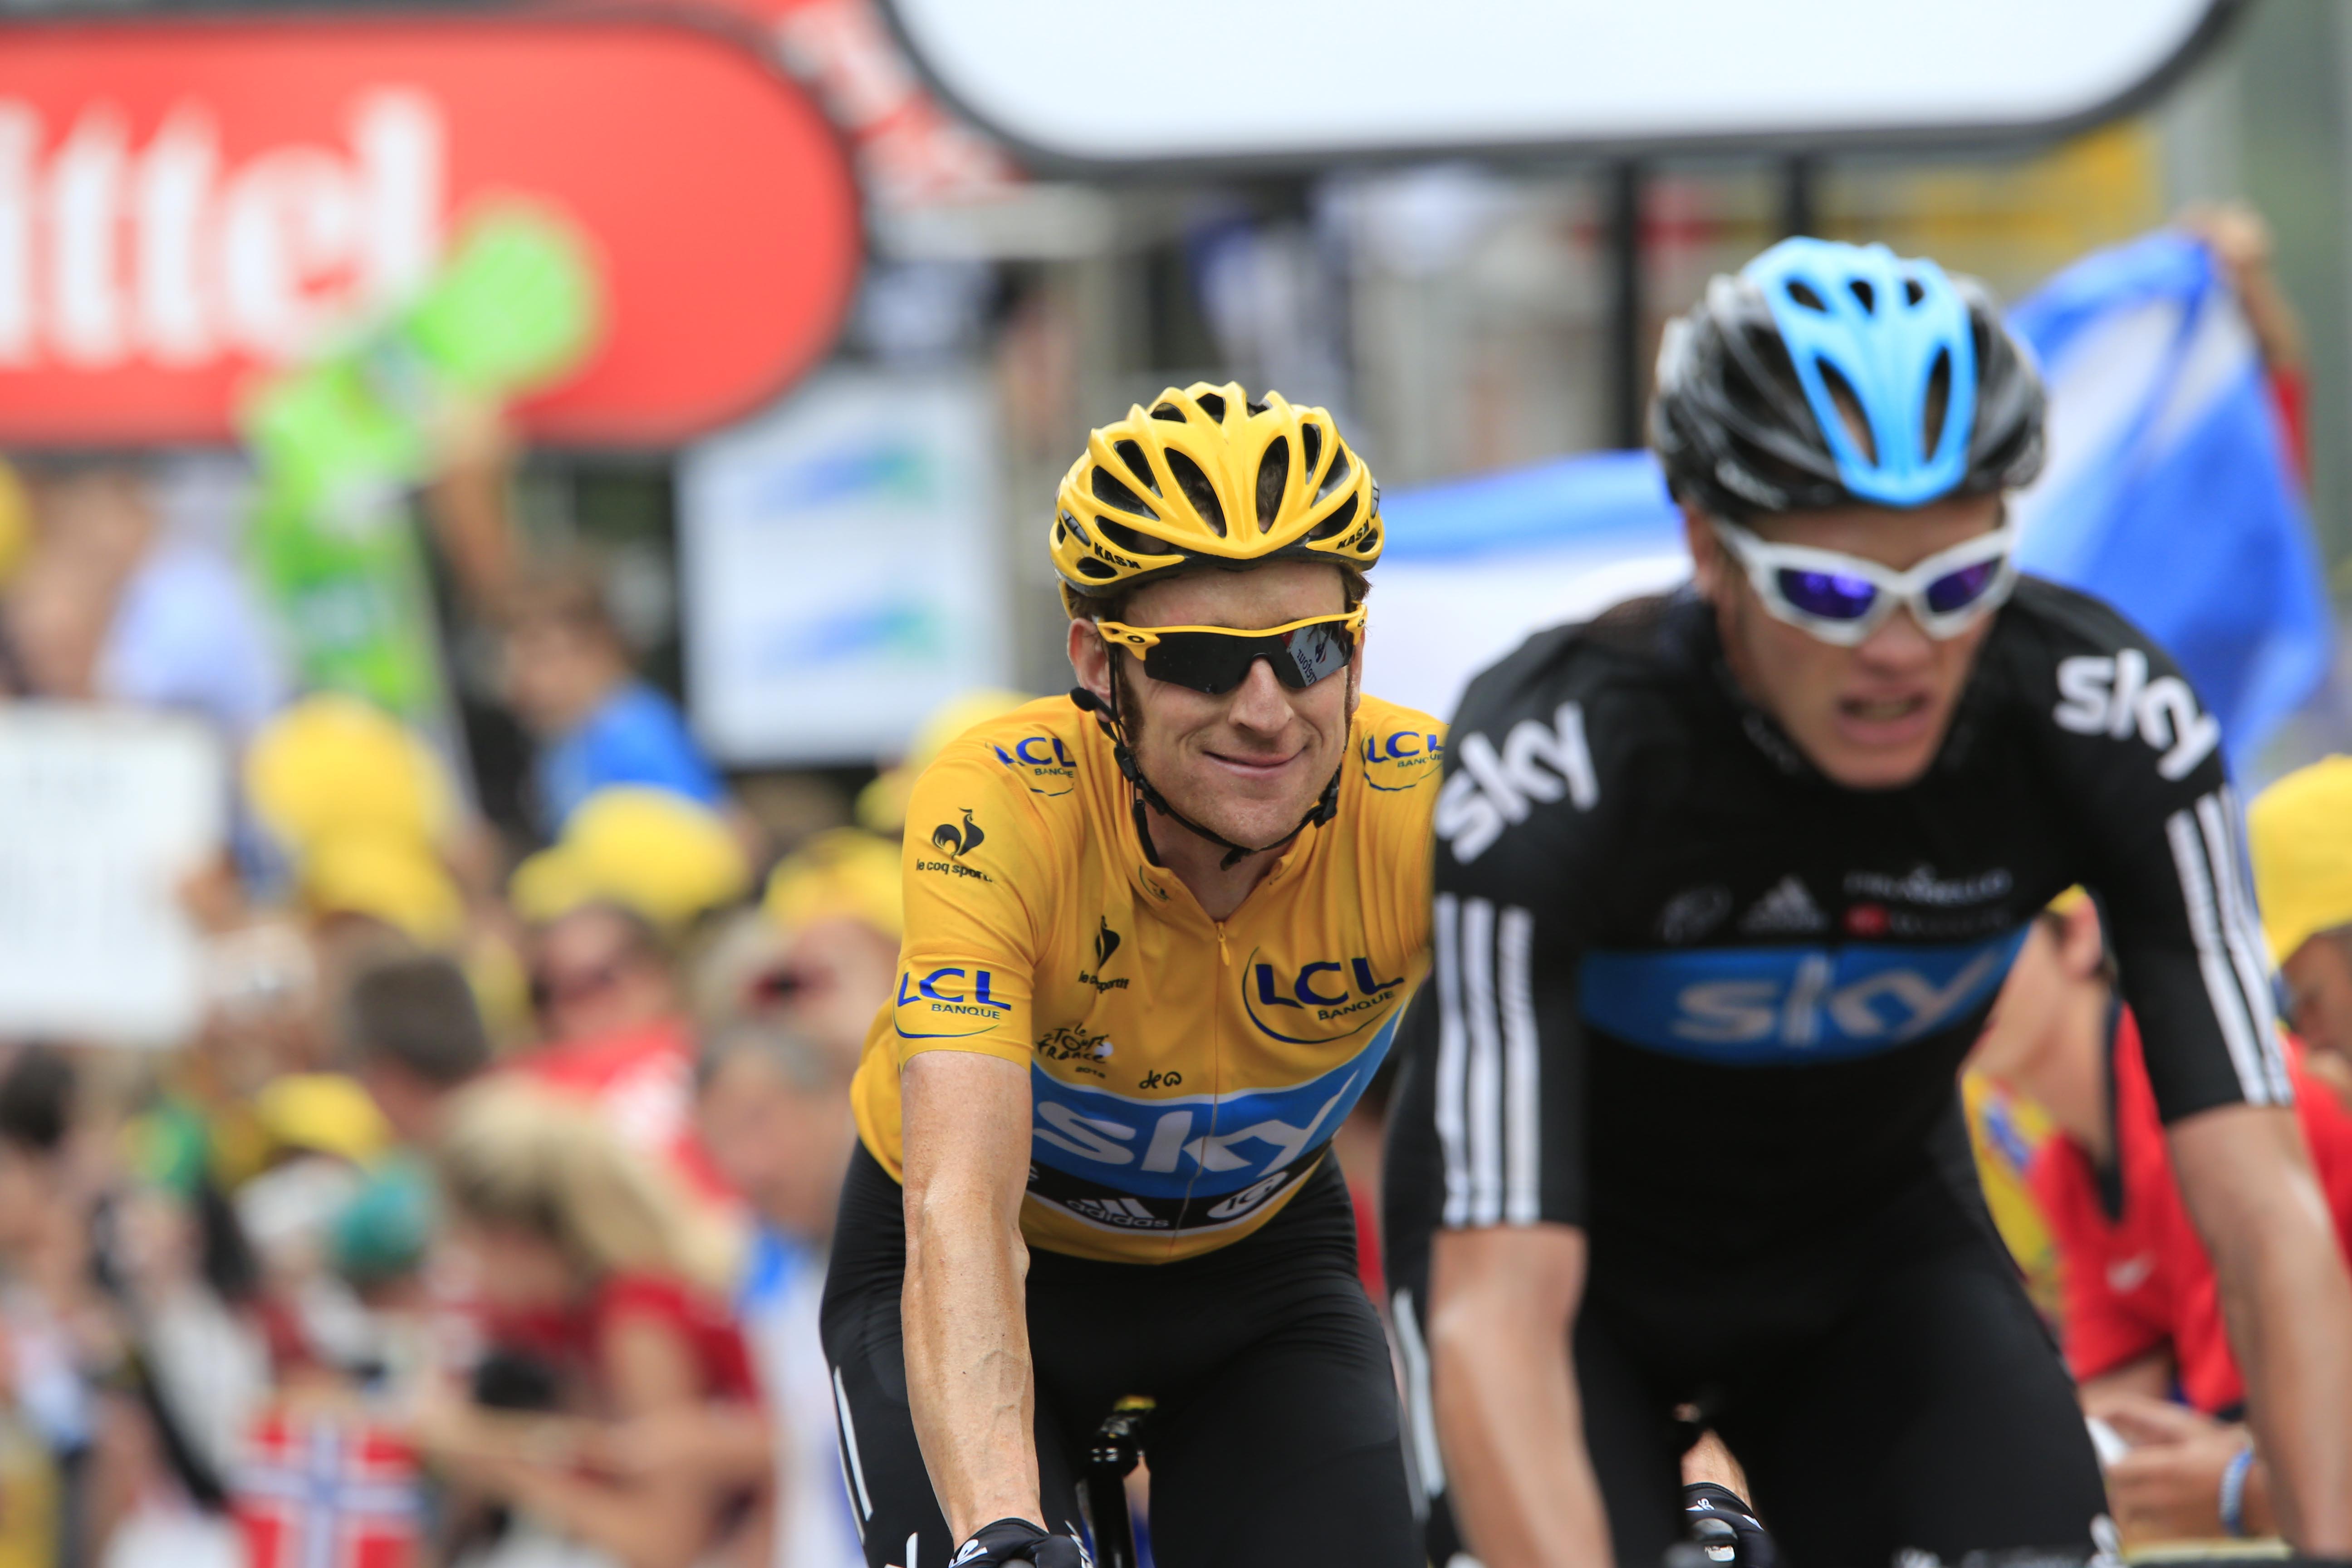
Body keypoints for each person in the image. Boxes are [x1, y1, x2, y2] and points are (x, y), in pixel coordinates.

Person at [1382, 237, 2352, 1567]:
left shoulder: (2104, 715)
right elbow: (1496, 1309)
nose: (1901, 652)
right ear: (1707, 549)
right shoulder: (1557, 760)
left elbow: (2268, 1211)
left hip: (1872, 1257)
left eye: (1957, 586)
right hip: (1566, 1267)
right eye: (1833, 593)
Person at [823, 383, 1442, 1568]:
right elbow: (960, 1205)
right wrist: (1004, 1528)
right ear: (1101, 667)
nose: (1267, 712)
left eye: (1310, 654)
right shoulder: (1001, 803)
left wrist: (1701, 1471)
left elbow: (1610, 1162)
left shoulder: (1427, 804)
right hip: (994, 1259)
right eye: (1206, 663)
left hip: (1260, 1273)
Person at [1972, 891, 2352, 1541]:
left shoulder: (2200, 1105)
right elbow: (2112, 1409)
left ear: (2080, 938)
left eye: (1988, 943)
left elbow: (2252, 1439)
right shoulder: (2066, 1166)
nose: (1964, 984)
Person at [421, 1079, 763, 1568]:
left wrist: (495, 1464)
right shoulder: (581, 1312)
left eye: (469, 1241)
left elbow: (667, 1542)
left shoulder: (639, 1319)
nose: (469, 1269)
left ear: (515, 1238)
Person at [696, 1012, 863, 1568]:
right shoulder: (763, 1274)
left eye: (759, 1122)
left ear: (838, 1094)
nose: (747, 1164)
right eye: (719, 1141)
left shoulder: (936, 1241)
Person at [498, 568, 725, 836]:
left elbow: (701, 843)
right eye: (514, 660)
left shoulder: (634, 733)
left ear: (600, 650)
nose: (523, 679)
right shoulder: (565, 739)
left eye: (541, 657)